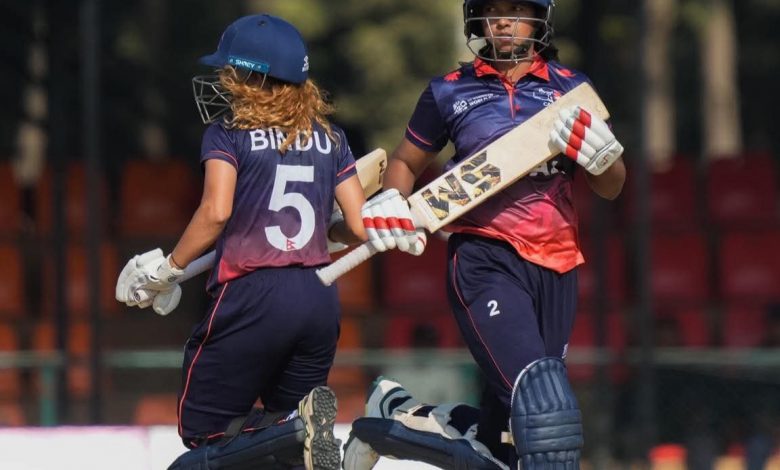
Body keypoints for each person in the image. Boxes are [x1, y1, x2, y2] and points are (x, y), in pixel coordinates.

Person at [344, 0, 626, 468]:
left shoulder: (572, 89)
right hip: (484, 258)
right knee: (545, 410)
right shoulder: (450, 90)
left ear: (539, 17)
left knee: (507, 441)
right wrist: (393, 197)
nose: (503, 20)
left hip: (557, 265)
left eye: (516, 9)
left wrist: (605, 161)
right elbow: (405, 162)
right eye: (493, 9)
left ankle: (394, 416)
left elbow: (612, 186)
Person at [115, 13, 367, 470]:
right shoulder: (332, 138)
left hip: (252, 294)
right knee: (293, 449)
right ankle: (295, 428)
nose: (225, 82)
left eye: (232, 72)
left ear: (256, 78)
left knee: (203, 432)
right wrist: (324, 231)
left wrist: (168, 269)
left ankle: (292, 429)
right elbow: (357, 226)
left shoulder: (227, 133)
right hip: (318, 294)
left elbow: (216, 211)